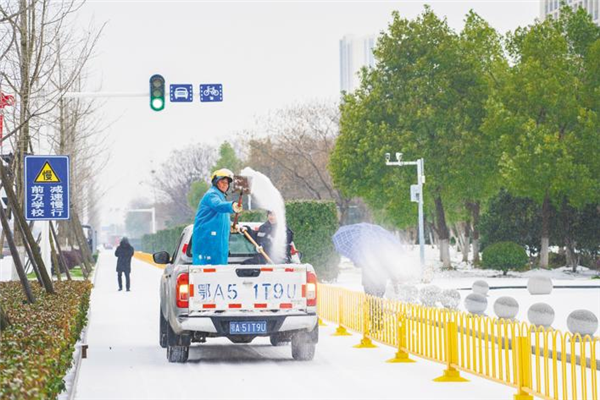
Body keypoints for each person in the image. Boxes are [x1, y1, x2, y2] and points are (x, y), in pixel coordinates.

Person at [192, 168, 242, 265]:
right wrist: (232, 206)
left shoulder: (221, 196)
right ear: (216, 182)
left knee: (219, 272)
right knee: (207, 272)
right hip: (208, 241)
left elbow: (219, 217)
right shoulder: (212, 194)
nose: (225, 185)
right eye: (222, 182)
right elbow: (218, 206)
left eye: (227, 183)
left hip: (217, 242)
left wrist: (230, 225)